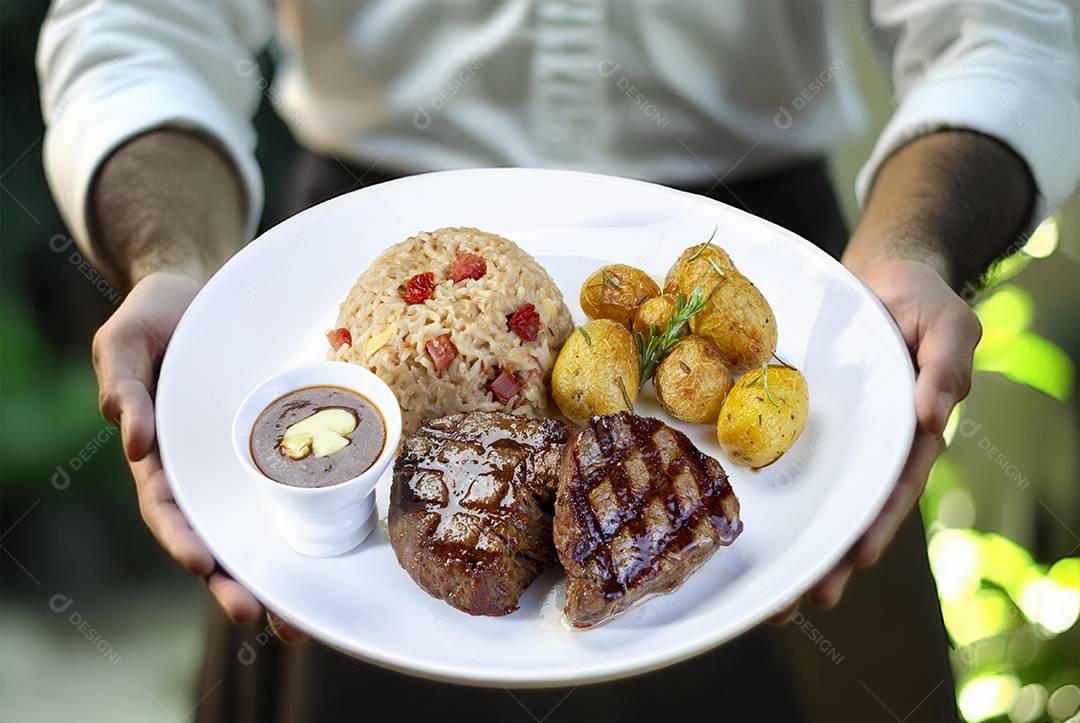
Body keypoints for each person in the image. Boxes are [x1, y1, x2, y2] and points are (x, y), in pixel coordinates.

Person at [37, 1, 1078, 720]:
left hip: (765, 267)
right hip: (355, 250)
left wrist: (911, 249)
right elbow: (134, 30)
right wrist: (179, 264)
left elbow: (1014, 33)